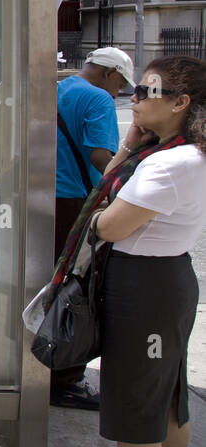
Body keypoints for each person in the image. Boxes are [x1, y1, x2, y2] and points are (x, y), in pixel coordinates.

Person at [82, 56, 206, 447]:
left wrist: (95, 219)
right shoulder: (180, 154)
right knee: (167, 395)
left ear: (180, 103)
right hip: (167, 278)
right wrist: (129, 148)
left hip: (143, 287)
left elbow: (108, 223)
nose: (133, 98)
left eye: (146, 92)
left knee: (137, 401)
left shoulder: (169, 164)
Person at [52, 46, 134, 410]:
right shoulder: (99, 98)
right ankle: (65, 377)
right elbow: (101, 155)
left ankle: (42, 360)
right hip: (73, 202)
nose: (121, 91)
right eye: (122, 83)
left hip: (43, 196)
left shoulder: (60, 87)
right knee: (76, 288)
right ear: (109, 73)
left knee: (46, 283)